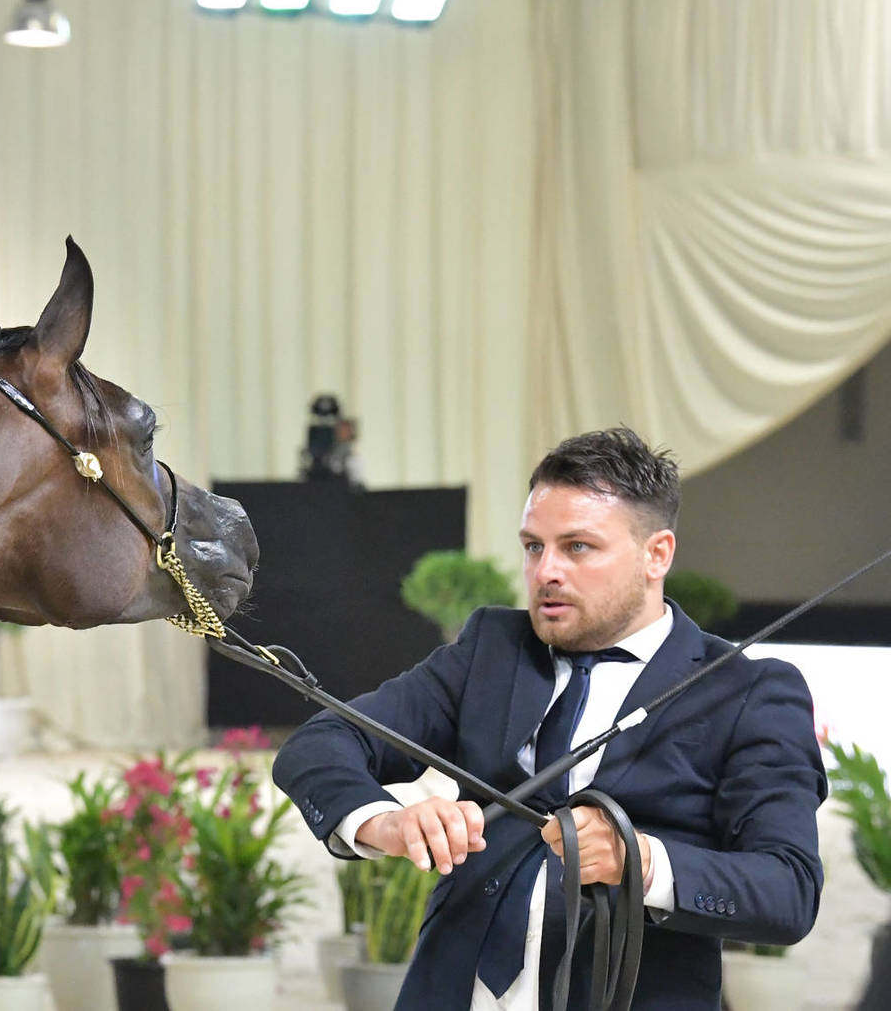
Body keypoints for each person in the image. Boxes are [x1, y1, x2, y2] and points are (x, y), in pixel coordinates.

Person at [272, 427, 826, 1010]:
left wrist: (641, 861)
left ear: (656, 554)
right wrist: (384, 822)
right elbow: (322, 741)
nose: (545, 572)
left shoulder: (749, 691)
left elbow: (787, 891)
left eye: (577, 547)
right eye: (534, 547)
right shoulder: (490, 648)